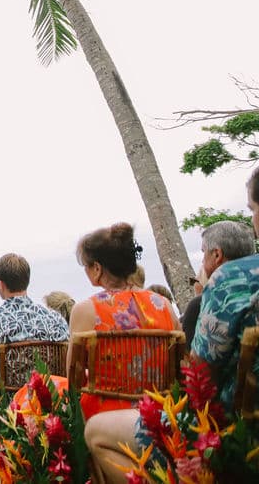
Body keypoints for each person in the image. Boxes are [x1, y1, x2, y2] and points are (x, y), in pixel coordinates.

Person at [84, 174, 259, 484]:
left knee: (94, 429)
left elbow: (201, 375)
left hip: (232, 428)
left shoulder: (233, 279)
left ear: (97, 268)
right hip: (164, 397)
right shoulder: (162, 305)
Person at [67, 223, 180, 421]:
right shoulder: (164, 305)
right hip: (161, 412)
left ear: (97, 268)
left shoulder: (86, 311)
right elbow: (179, 365)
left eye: (86, 265)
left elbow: (73, 380)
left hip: (105, 417)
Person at [0, 254, 69, 377]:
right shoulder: (56, 320)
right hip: (49, 394)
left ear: (0, 284)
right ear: (27, 281)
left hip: (6, 396)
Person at [179, 220, 254, 347]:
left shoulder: (205, 304)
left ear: (217, 254)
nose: (202, 260)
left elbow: (195, 361)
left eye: (204, 252)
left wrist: (201, 298)